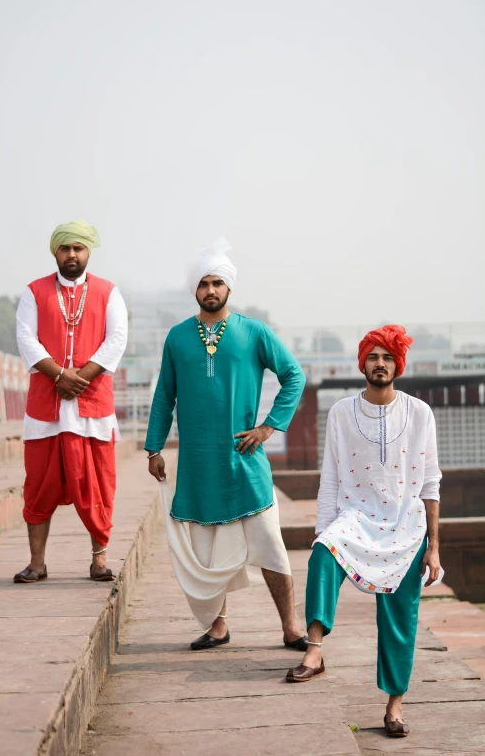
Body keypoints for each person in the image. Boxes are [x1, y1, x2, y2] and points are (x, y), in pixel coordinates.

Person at [146, 239, 308, 651]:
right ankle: (219, 626)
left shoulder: (254, 332)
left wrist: (269, 427)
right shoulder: (178, 337)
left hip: (245, 459)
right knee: (204, 549)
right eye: (203, 283)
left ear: (229, 288)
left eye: (217, 282)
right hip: (197, 465)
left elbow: (294, 376)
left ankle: (290, 627)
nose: (211, 290)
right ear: (194, 290)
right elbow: (165, 396)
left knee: (270, 542)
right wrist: (153, 448)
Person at [286, 325, 442, 739]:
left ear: (398, 365)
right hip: (355, 518)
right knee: (322, 554)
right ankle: (315, 652)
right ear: (363, 364)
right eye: (373, 356)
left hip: (408, 526)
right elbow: (332, 479)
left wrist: (434, 548)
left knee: (400, 619)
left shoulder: (420, 413)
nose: (380, 363)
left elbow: (430, 484)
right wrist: (324, 532)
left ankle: (394, 706)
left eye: (387, 357)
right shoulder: (340, 412)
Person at [14, 220, 128, 583]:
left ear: (88, 252)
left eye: (78, 248)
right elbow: (26, 340)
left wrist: (81, 377)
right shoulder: (34, 292)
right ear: (56, 252)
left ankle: (99, 561)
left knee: (99, 485)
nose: (72, 254)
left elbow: (117, 339)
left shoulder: (109, 292)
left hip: (92, 407)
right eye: (66, 248)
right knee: (38, 484)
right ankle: (37, 563)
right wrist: (60, 376)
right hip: (46, 409)